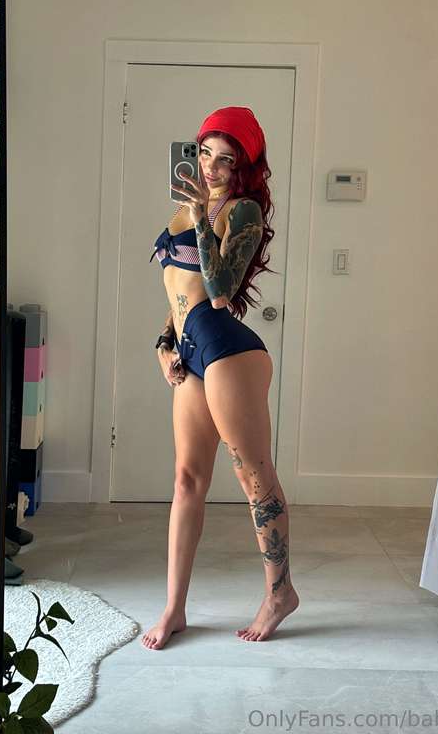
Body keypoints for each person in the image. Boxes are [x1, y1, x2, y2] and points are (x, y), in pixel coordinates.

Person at [144, 106, 299, 650]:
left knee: (253, 477)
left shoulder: (243, 211)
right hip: (189, 351)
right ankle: (174, 608)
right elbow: (176, 292)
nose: (210, 166)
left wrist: (200, 215)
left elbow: (217, 291)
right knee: (187, 480)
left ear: (243, 167)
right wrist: (163, 344)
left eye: (225, 159)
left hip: (228, 352)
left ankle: (280, 593)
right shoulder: (183, 211)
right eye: (205, 152)